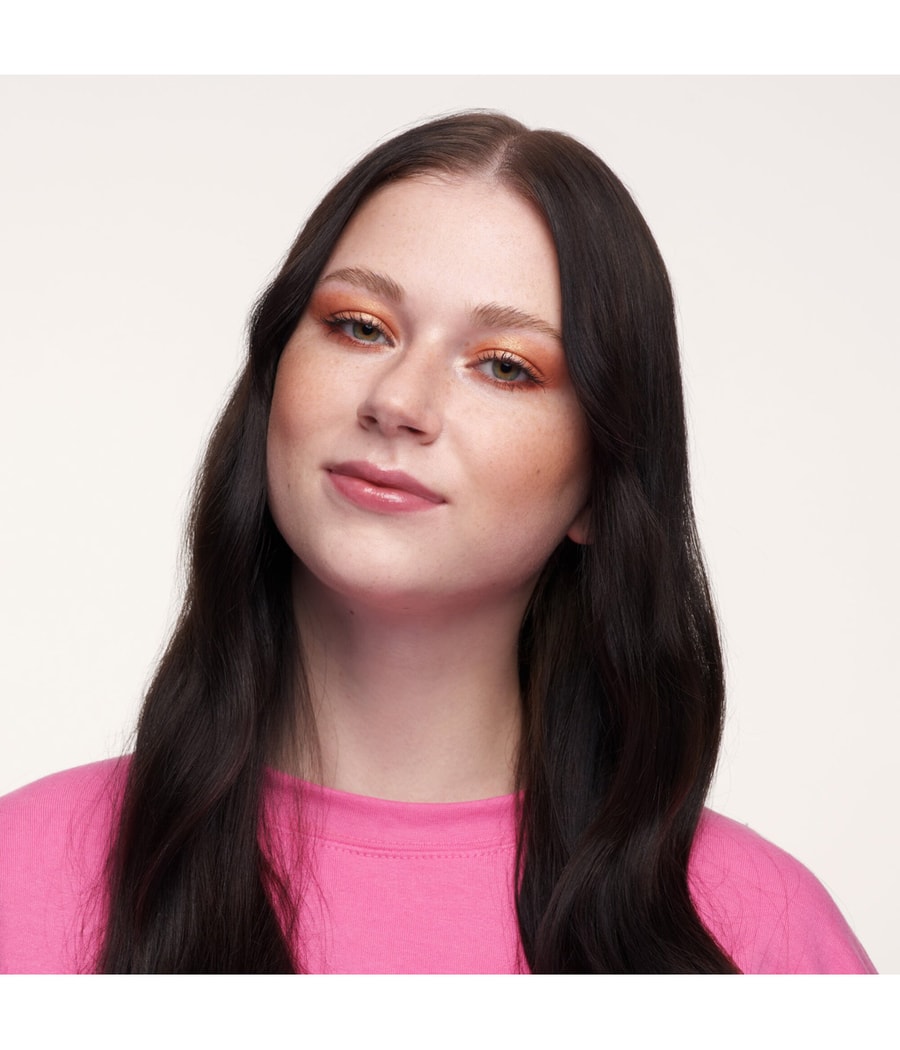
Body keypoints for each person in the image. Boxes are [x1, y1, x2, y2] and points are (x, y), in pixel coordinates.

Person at [0, 111, 875, 974]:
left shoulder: (756, 936)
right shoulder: (23, 872)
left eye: (505, 366)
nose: (398, 401)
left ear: (602, 483)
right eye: (359, 325)